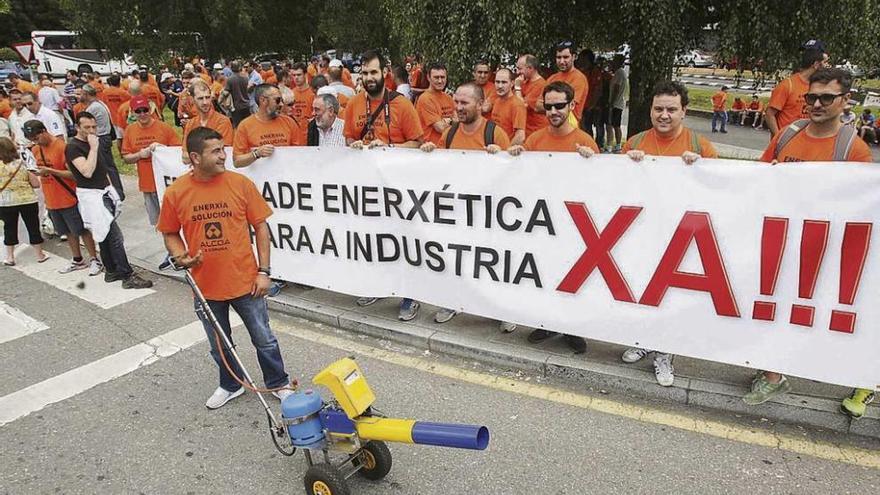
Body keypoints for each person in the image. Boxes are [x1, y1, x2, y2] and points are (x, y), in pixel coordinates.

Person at [747, 68, 872, 406]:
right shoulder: (787, 135)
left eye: (826, 98)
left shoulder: (854, 150)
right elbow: (758, 179)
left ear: (845, 101)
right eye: (811, 97)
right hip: (778, 238)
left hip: (821, 247)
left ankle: (779, 371)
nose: (816, 104)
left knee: (801, 311)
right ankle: (770, 373)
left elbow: (859, 208)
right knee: (769, 306)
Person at [158, 126, 295, 409]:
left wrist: (264, 271)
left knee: (264, 339)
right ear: (195, 158)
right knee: (219, 344)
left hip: (247, 282)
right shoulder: (176, 192)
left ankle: (277, 382)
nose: (224, 156)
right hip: (205, 286)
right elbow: (169, 231)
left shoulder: (240, 184)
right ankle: (230, 385)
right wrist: (180, 255)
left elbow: (261, 227)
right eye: (216, 151)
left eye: (224, 149)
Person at [620, 80, 718, 386]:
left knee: (672, 296)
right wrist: (627, 165)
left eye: (671, 109)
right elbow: (615, 188)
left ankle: (665, 353)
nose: (664, 115)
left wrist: (700, 170)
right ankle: (645, 339)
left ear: (684, 112)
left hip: (683, 237)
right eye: (658, 108)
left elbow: (719, 192)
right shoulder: (634, 143)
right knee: (644, 290)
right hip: (644, 233)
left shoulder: (701, 147)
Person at [508, 81, 599, 351]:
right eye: (548, 106)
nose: (553, 111)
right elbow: (521, 179)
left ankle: (572, 329)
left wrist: (591, 163)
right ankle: (547, 323)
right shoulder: (534, 141)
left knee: (574, 278)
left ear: (572, 106)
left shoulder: (585, 141)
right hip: (543, 222)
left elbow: (603, 186)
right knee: (545, 274)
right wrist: (515, 157)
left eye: (560, 105)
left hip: (575, 224)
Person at [419, 82, 514, 330]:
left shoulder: (496, 134)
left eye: (464, 103)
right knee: (458, 259)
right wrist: (430, 153)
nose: (458, 108)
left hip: (489, 213)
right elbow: (438, 171)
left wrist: (499, 158)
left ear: (480, 104)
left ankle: (501, 309)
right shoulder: (449, 135)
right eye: (456, 102)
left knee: (492, 263)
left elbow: (513, 177)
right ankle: (454, 301)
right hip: (459, 212)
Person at [344, 49, 424, 320]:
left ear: (385, 74)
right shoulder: (354, 104)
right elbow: (347, 140)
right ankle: (377, 285)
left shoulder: (402, 104)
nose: (369, 78)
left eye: (373, 73)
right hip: (368, 188)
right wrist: (355, 145)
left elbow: (417, 142)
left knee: (403, 243)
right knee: (374, 240)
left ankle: (410, 295)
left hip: (400, 188)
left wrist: (390, 147)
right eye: (364, 73)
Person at [66, 112, 152, 289]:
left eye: (94, 127)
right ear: (77, 128)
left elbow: (102, 168)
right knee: (114, 236)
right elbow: (87, 171)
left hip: (103, 191)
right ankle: (127, 275)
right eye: (87, 128)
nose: (91, 131)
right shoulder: (74, 147)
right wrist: (94, 148)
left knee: (104, 233)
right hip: (92, 196)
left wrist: (112, 188)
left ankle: (112, 270)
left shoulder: (91, 143)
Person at [23, 120, 102, 275]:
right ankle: (77, 259)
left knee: (82, 229)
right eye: (32, 139)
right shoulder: (36, 149)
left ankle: (94, 259)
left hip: (68, 197)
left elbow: (75, 174)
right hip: (52, 199)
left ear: (44, 131)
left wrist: (51, 171)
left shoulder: (62, 147)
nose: (35, 141)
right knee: (66, 232)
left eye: (36, 138)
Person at [121, 95, 182, 226]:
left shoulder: (164, 128)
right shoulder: (130, 131)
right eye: (138, 111)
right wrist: (139, 155)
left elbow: (179, 151)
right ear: (133, 112)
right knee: (158, 224)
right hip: (148, 185)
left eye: (145, 110)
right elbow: (126, 157)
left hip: (167, 185)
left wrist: (163, 148)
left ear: (150, 110)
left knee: (175, 222)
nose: (143, 114)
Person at [0, 136, 47, 266]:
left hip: (6, 202)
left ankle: (10, 256)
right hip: (27, 200)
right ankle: (39, 254)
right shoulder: (21, 164)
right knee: (33, 226)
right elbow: (36, 184)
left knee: (9, 228)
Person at [766, 41, 829, 136]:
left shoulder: (819, 86)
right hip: (787, 144)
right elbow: (769, 114)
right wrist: (779, 138)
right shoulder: (788, 85)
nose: (827, 66)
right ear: (816, 64)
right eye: (825, 62)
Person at [233, 84, 301, 168]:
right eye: (277, 100)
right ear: (263, 100)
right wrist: (256, 154)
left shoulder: (289, 122)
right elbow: (237, 161)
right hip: (259, 178)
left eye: (282, 100)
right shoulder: (245, 126)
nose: (281, 104)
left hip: (286, 177)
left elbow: (299, 155)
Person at [81, 84, 124, 200]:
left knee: (107, 167)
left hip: (101, 138)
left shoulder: (93, 108)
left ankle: (117, 193)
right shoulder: (99, 104)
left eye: (81, 93)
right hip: (104, 137)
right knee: (109, 166)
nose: (80, 96)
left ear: (86, 94)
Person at [182, 80, 234, 162]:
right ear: (192, 99)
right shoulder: (190, 124)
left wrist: (195, 156)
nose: (205, 102)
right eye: (200, 98)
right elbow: (185, 156)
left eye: (207, 97)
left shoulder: (223, 121)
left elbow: (222, 154)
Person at [544, 41, 589, 126]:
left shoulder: (579, 78)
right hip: (550, 128)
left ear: (574, 57)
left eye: (565, 57)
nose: (561, 61)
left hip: (569, 127)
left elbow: (567, 106)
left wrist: (548, 105)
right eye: (558, 57)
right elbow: (537, 106)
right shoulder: (552, 78)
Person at [416, 62, 455, 146]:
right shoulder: (425, 99)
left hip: (448, 147)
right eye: (436, 77)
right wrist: (452, 121)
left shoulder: (448, 98)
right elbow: (440, 128)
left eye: (443, 77)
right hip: (431, 148)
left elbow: (459, 121)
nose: (440, 81)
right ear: (428, 78)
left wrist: (448, 121)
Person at [491, 68, 526, 145]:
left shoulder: (517, 105)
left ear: (512, 83)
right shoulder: (497, 101)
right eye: (497, 82)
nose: (500, 86)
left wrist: (506, 152)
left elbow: (520, 136)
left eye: (504, 82)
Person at [99, 75, 131, 151]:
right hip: (123, 117)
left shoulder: (105, 92)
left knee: (119, 137)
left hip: (113, 118)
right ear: (119, 82)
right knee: (127, 136)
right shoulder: (123, 93)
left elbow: (103, 103)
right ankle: (128, 151)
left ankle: (121, 153)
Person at [607, 54, 627, 151]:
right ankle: (617, 145)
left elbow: (616, 88)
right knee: (614, 124)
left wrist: (611, 102)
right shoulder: (619, 72)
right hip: (617, 103)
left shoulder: (619, 72)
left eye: (615, 60)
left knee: (613, 124)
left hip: (616, 104)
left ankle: (615, 145)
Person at [225, 61, 251, 128]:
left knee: (239, 127)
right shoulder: (246, 78)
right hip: (247, 105)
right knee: (248, 126)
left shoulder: (230, 80)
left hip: (237, 107)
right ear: (240, 68)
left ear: (231, 68)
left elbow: (226, 92)